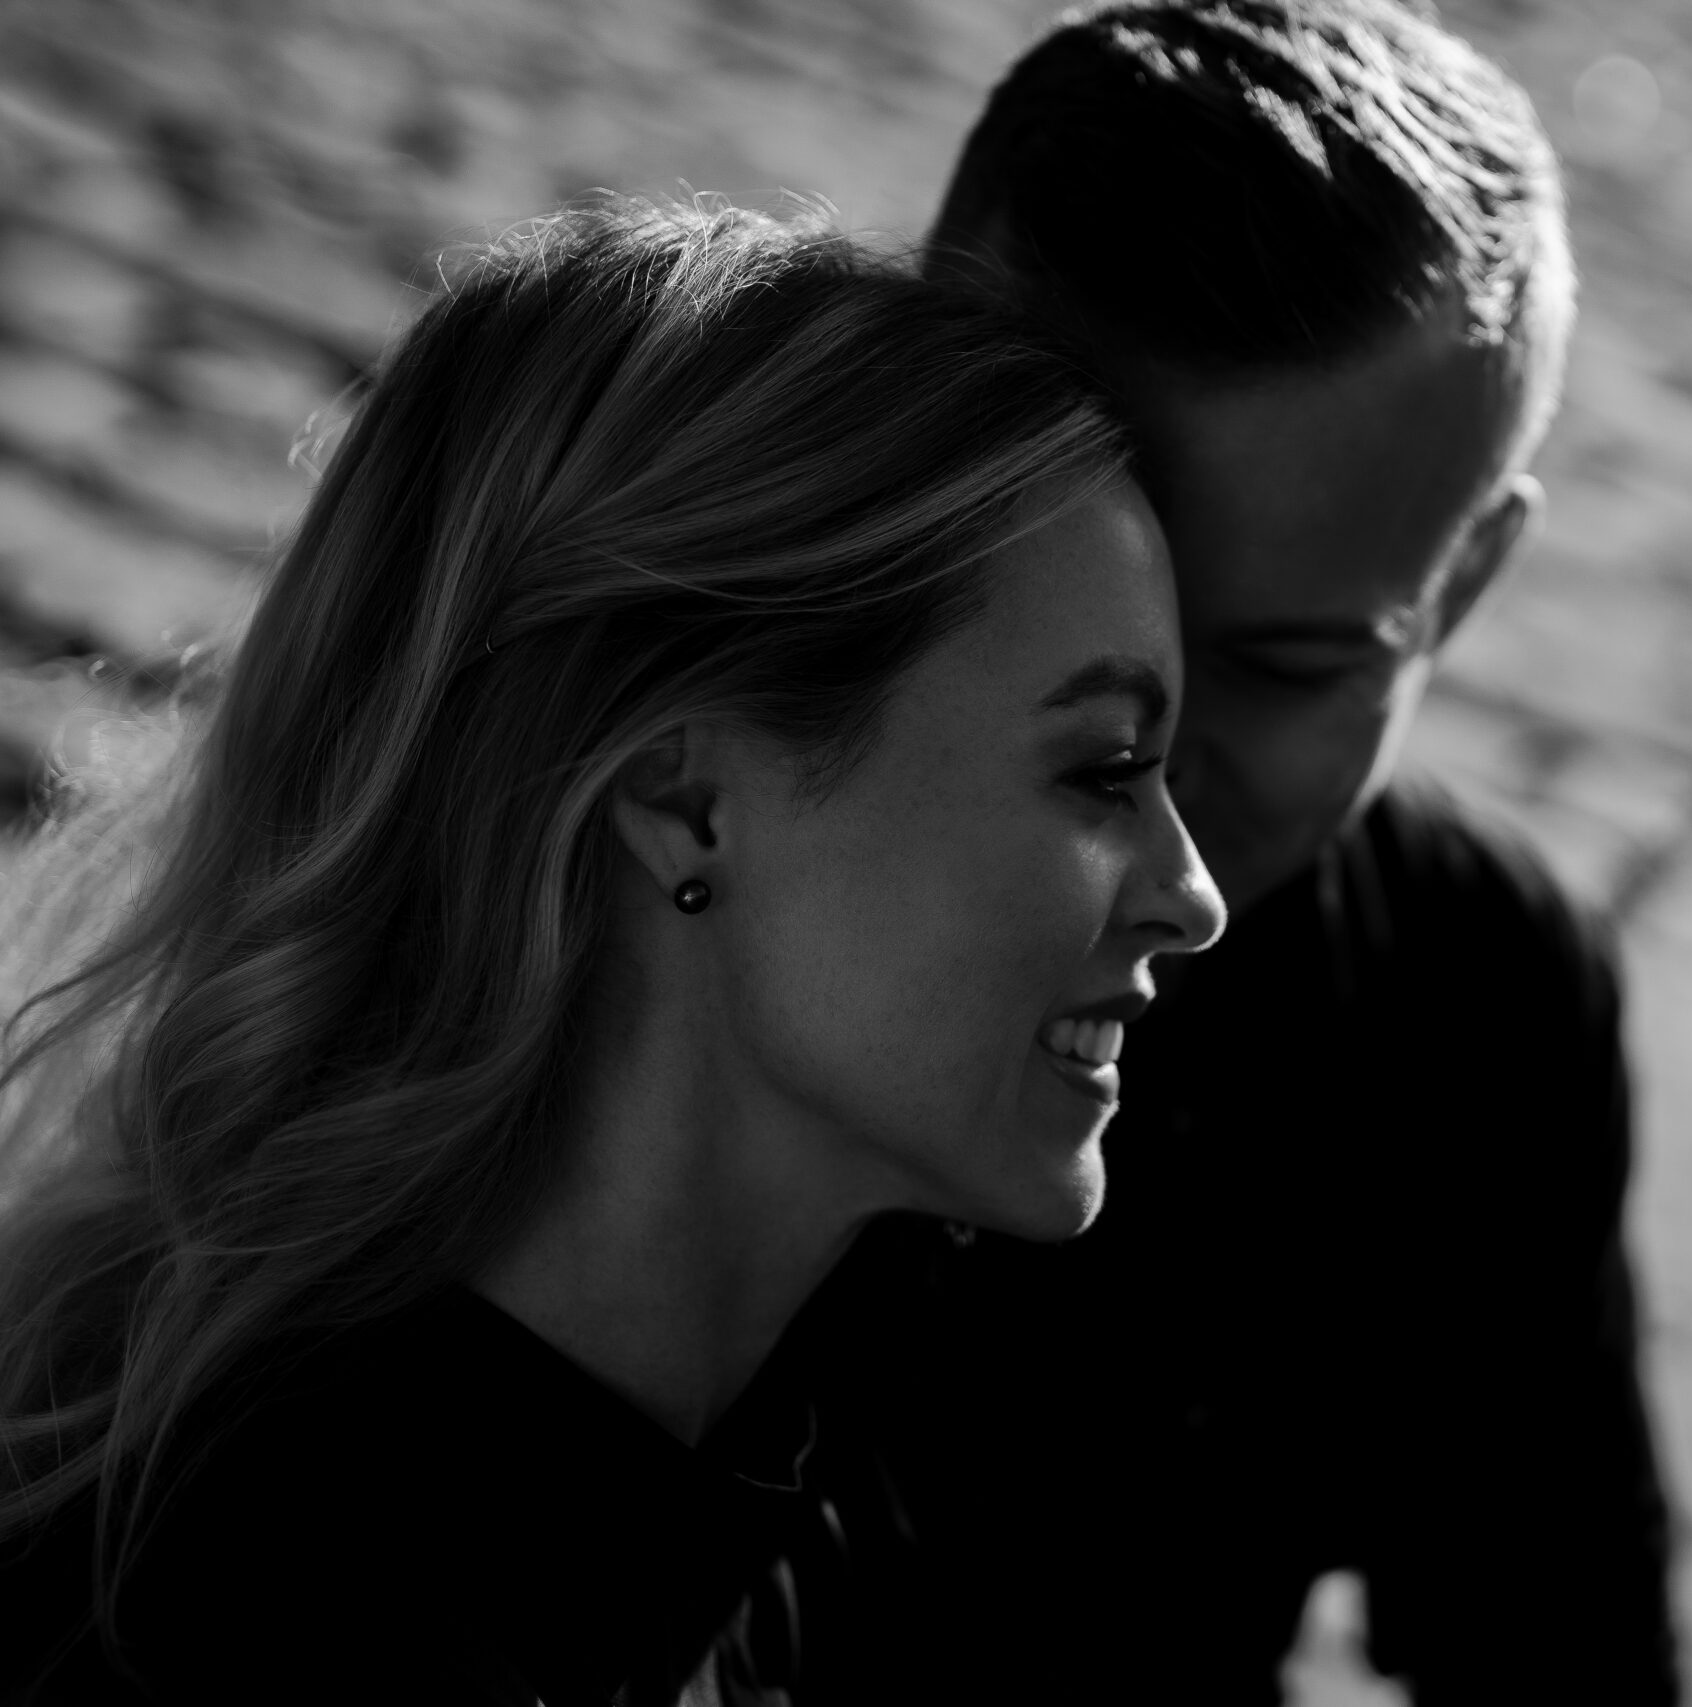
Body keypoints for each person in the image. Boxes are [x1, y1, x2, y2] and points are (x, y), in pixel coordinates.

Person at [0, 196, 1223, 1705]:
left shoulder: (786, 1455)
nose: (1194, 893)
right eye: (1105, 769)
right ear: (684, 795)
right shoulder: (242, 1632)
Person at [797, 4, 1680, 1701]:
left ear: (1466, 590)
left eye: (1277, 666)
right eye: (1044, 608)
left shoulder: (1474, 1007)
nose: (1145, 784)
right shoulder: (634, 860)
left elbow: (1561, 1647)